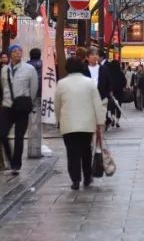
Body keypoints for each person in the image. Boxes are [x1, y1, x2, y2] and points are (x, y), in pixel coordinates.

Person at [54, 56, 104, 190]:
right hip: (86, 124)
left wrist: (58, 119)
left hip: (68, 123)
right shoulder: (89, 82)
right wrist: (100, 122)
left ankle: (75, 179)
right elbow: (97, 104)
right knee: (86, 151)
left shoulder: (61, 83)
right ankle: (87, 177)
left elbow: (57, 105)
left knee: (72, 152)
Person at [0, 44, 39, 174]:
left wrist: (28, 100)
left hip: (22, 105)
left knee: (19, 136)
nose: (18, 53)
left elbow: (33, 88)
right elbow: (3, 85)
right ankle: (10, 159)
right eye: (15, 51)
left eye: (20, 51)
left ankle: (16, 165)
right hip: (7, 105)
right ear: (10, 54)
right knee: (2, 133)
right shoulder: (4, 69)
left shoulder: (29, 69)